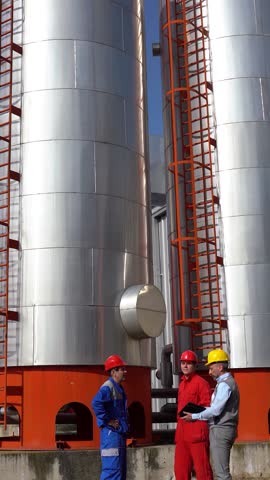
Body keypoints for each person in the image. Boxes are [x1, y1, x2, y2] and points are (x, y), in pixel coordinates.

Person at [182, 348, 240, 480]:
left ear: (220, 367)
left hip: (221, 429)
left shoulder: (225, 385)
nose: (209, 371)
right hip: (224, 428)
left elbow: (216, 410)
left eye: (211, 367)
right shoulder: (227, 383)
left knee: (221, 474)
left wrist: (195, 416)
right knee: (221, 471)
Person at [174, 350, 213, 480]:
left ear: (195, 366)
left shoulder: (201, 383)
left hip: (197, 434)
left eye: (188, 363)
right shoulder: (182, 384)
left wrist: (193, 414)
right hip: (182, 435)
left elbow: (207, 407)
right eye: (183, 363)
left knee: (203, 472)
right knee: (180, 471)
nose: (185, 366)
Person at [92, 354, 128, 480]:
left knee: (120, 471)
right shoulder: (108, 387)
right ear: (113, 372)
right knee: (112, 472)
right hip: (111, 435)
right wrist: (107, 421)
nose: (125, 371)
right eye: (122, 369)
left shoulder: (117, 387)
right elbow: (96, 402)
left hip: (117, 434)